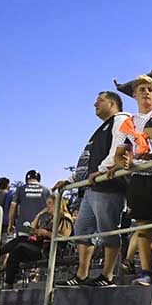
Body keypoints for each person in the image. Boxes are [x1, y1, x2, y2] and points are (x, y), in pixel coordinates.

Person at [54, 91, 130, 287]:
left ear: (113, 103)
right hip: (90, 188)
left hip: (108, 185)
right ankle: (81, 275)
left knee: (108, 231)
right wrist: (71, 179)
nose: (95, 103)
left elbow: (119, 148)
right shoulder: (101, 128)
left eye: (100, 99)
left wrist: (102, 170)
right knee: (82, 231)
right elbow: (87, 160)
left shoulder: (121, 119)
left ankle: (107, 276)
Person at [114, 75, 152, 287]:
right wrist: (122, 164)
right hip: (140, 178)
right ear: (134, 94)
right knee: (143, 228)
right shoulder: (128, 123)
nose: (145, 92)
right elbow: (120, 152)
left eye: (149, 89)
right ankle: (146, 272)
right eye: (141, 89)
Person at [0, 195, 72, 287]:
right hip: (42, 245)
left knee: (19, 248)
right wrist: (39, 215)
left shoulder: (65, 218)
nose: (47, 206)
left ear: (57, 204)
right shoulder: (49, 219)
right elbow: (32, 229)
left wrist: (46, 233)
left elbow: (64, 237)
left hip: (51, 250)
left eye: (50, 203)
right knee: (20, 240)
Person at [7, 170, 50, 238]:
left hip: (23, 227)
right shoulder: (47, 190)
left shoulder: (20, 189)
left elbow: (13, 207)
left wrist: (10, 224)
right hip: (41, 228)